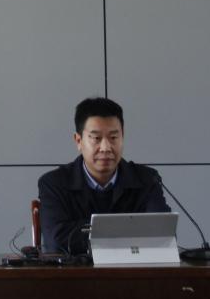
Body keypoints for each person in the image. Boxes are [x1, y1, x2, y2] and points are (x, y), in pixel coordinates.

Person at [38, 97, 169, 255]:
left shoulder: (147, 179)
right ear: (78, 141)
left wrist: (89, 231)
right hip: (76, 271)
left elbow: (163, 234)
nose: (106, 147)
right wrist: (129, 229)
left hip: (133, 270)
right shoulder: (54, 183)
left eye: (113, 137)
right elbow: (56, 241)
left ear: (122, 137)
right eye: (96, 138)